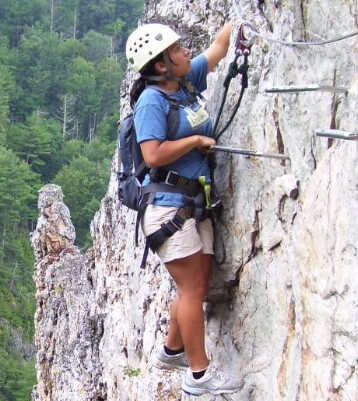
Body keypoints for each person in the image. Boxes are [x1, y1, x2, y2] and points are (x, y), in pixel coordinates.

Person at [125, 23, 243, 396]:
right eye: (176, 50)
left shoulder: (183, 81)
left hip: (193, 204)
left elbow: (217, 49)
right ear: (161, 66)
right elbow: (152, 153)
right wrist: (194, 140)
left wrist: (238, 24)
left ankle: (172, 350)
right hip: (167, 208)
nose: (184, 51)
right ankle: (198, 375)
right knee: (191, 289)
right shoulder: (152, 101)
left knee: (195, 285)